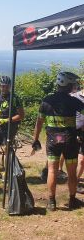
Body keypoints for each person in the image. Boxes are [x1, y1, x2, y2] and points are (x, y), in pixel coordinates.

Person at [32, 71, 84, 211]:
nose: (74, 86)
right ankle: (72, 200)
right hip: (70, 141)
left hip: (53, 141)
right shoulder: (74, 101)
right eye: (73, 84)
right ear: (67, 85)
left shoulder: (47, 100)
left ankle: (51, 202)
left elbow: (39, 122)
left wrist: (35, 139)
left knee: (52, 171)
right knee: (72, 173)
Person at [0, 76, 24, 178]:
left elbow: (21, 115)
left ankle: (8, 173)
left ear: (10, 87)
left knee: (8, 150)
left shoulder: (15, 98)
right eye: (2, 86)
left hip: (11, 127)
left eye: (6, 86)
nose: (4, 88)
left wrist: (7, 120)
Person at [70, 78, 84, 194]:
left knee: (81, 160)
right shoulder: (75, 97)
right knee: (77, 159)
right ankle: (75, 180)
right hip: (73, 130)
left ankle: (77, 180)